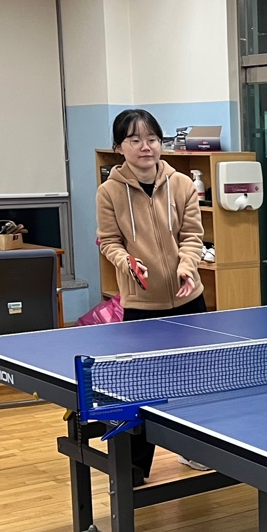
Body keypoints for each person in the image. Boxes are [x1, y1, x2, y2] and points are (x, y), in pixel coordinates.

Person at [96, 108, 209, 479]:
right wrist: (127, 262)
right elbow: (108, 241)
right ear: (119, 147)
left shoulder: (182, 185)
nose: (145, 147)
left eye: (152, 139)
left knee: (195, 380)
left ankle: (193, 450)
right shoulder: (109, 191)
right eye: (135, 140)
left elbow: (192, 236)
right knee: (141, 386)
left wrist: (187, 266)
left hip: (188, 299)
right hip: (142, 304)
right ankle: (134, 465)